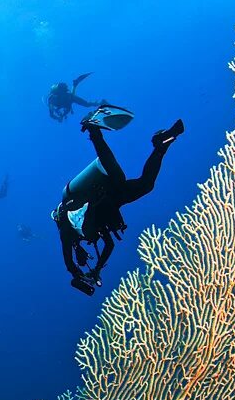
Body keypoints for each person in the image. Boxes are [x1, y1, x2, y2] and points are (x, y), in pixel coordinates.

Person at [53, 113, 184, 295]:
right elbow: (109, 245)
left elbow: (68, 263)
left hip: (104, 191)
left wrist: (77, 274)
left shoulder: (67, 230)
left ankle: (93, 129)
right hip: (115, 199)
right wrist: (96, 269)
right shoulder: (90, 233)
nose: (82, 256)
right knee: (147, 185)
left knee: (116, 174)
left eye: (81, 255)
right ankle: (161, 145)